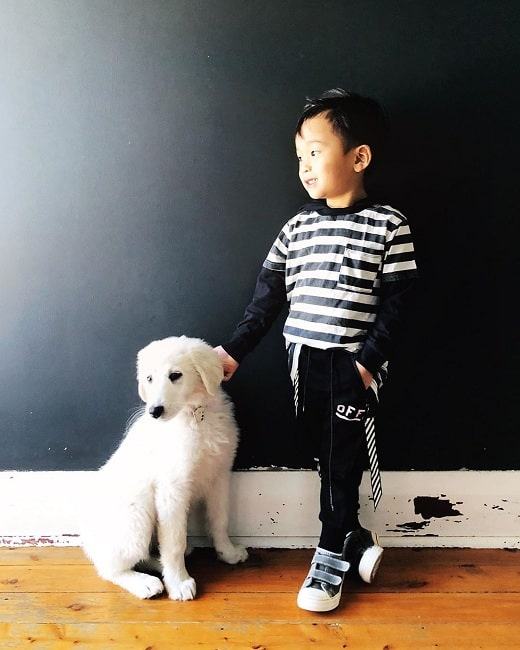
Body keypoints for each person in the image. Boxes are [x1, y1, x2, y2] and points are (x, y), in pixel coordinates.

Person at [214, 88, 419, 612]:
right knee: (321, 452)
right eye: (299, 156)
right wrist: (233, 351)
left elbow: (399, 307)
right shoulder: (297, 227)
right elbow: (265, 304)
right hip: (302, 364)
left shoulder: (390, 225)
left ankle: (329, 557)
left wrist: (366, 364)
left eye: (316, 151)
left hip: (352, 363)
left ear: (358, 156)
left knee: (340, 456)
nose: (305, 166)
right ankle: (352, 536)